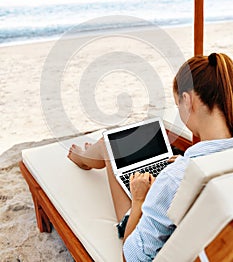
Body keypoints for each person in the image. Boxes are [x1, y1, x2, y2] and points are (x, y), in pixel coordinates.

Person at [68, 52, 233, 262]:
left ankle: (82, 157)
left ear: (187, 100)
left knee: (108, 147)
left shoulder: (174, 178)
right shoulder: (188, 170)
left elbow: (132, 257)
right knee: (109, 148)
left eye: (177, 105)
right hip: (205, 230)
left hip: (158, 238)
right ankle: (87, 155)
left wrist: (139, 199)